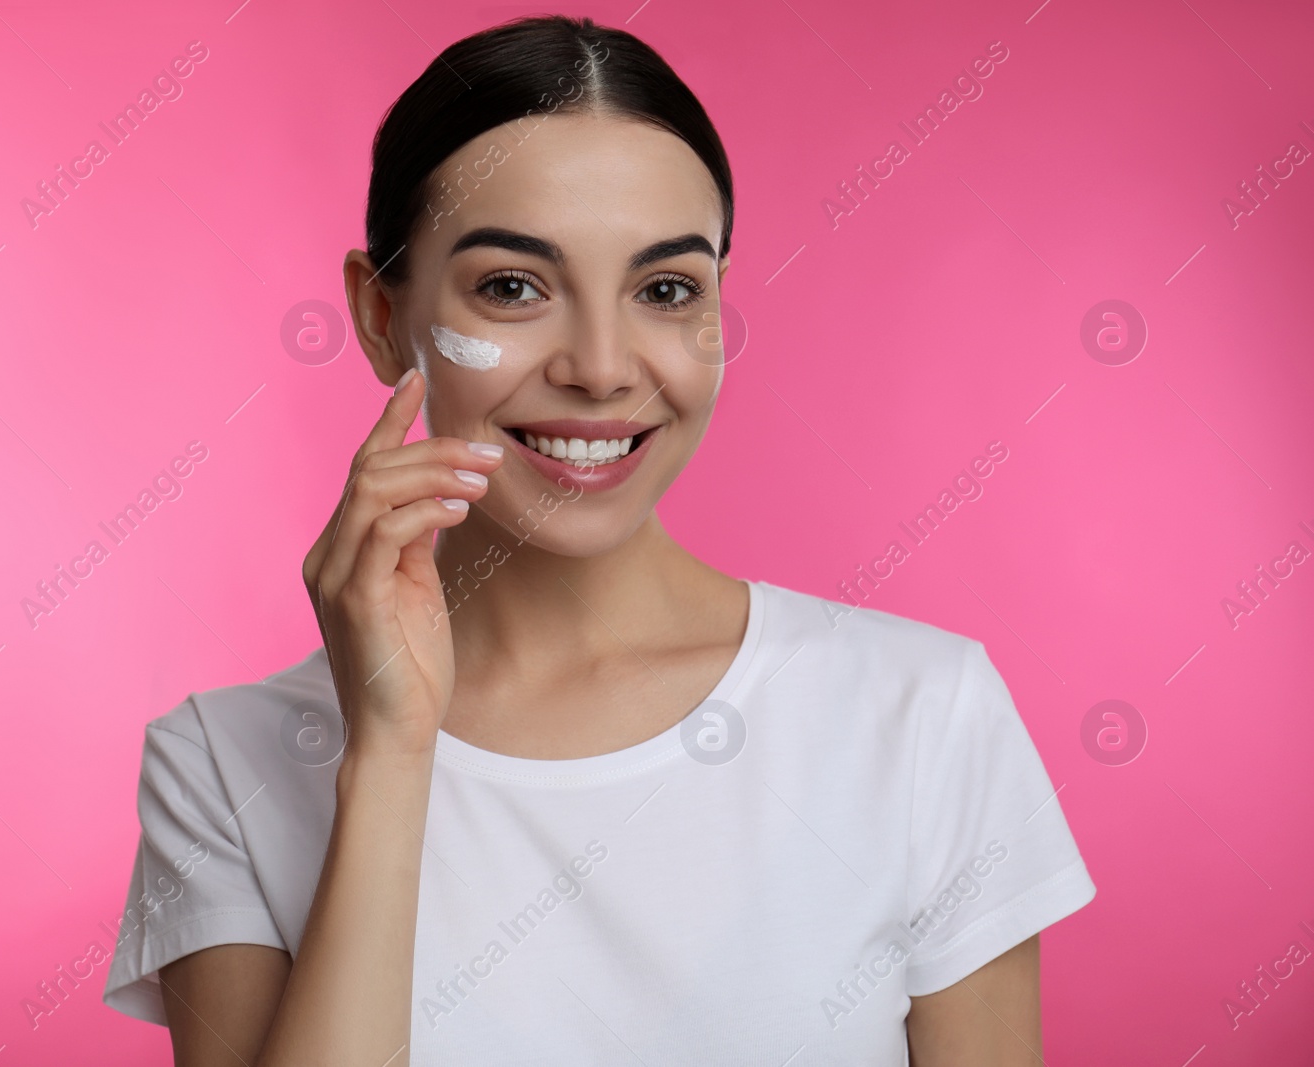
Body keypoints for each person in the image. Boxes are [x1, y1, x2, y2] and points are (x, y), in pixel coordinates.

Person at [102, 14, 1095, 1065]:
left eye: (665, 290)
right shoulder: (223, 766)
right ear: (383, 313)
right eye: (513, 286)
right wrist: (390, 754)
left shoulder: (922, 714)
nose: (602, 366)